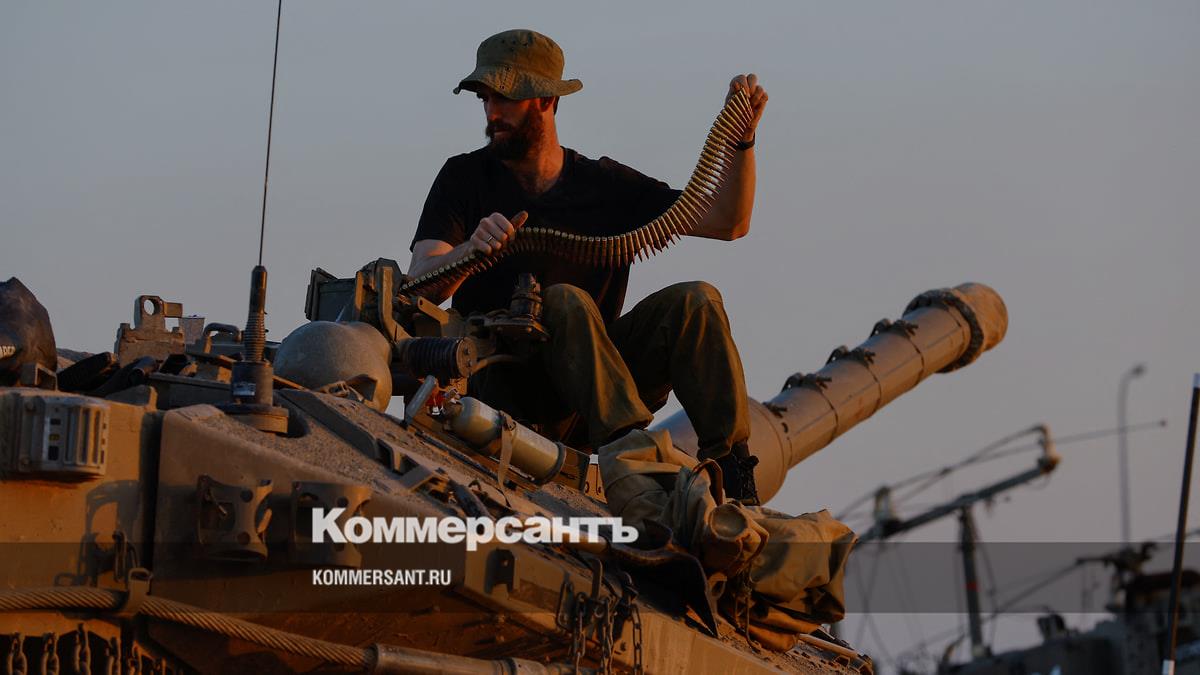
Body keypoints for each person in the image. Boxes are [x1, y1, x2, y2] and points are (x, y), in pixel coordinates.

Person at [407, 29, 768, 503]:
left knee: (696, 301)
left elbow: (729, 222)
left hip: (588, 391)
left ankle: (733, 472)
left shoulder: (605, 185)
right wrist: (471, 250)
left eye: (505, 99)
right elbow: (420, 282)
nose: (492, 113)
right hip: (505, 383)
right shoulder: (464, 176)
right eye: (485, 99)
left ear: (546, 101)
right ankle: (633, 458)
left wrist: (742, 142)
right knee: (563, 300)